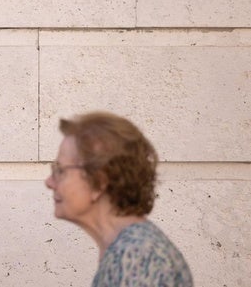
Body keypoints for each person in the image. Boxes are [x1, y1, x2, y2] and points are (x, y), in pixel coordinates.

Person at [45, 111, 193, 286]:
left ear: (98, 183)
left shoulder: (136, 257)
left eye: (60, 171)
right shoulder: (130, 250)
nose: (49, 182)